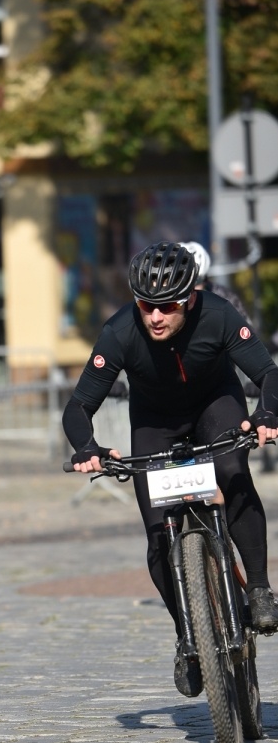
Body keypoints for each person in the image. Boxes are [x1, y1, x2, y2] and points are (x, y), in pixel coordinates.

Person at [63, 240, 278, 698]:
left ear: (191, 298)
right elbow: (79, 405)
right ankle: (188, 636)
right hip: (155, 423)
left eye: (168, 307)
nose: (156, 317)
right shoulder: (120, 331)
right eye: (146, 306)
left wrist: (266, 416)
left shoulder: (218, 315)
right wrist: (88, 446)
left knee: (231, 470)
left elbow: (268, 374)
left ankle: (258, 588)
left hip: (214, 405)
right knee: (158, 533)